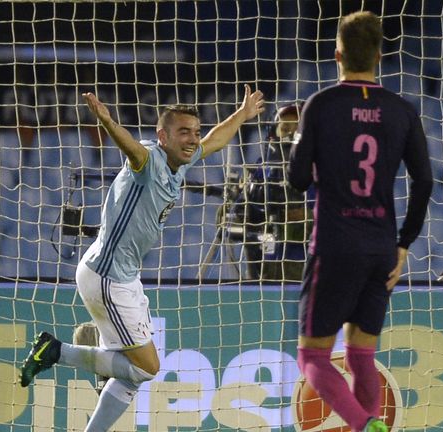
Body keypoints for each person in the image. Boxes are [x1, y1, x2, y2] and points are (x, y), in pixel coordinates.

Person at [19, 85, 265, 431]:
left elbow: (215, 140)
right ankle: (57, 351)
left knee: (130, 375)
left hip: (119, 274)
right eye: (183, 132)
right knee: (147, 367)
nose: (193, 139)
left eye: (194, 132)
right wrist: (107, 121)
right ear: (162, 135)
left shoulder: (181, 159)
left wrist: (242, 115)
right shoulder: (150, 160)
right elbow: (133, 150)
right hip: (108, 277)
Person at [287, 11, 433, 432]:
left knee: (313, 357)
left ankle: (364, 425)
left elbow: (297, 181)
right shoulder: (401, 110)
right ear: (380, 56)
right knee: (360, 355)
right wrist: (403, 244)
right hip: (381, 248)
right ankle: (366, 424)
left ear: (337, 55)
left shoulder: (321, 105)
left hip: (334, 244)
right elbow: (423, 181)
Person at [230, 103, 314, 281]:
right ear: (273, 133)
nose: (291, 133)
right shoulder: (262, 171)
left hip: (308, 268)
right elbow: (239, 216)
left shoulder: (320, 171)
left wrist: (302, 215)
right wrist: (238, 212)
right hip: (265, 267)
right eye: (285, 128)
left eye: (297, 128)